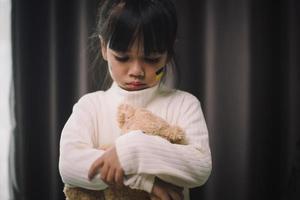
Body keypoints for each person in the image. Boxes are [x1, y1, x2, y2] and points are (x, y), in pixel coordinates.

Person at [59, 0, 212, 199]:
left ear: (168, 52)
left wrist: (133, 149)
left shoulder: (184, 104)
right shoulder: (90, 107)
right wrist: (143, 180)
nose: (136, 71)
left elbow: (200, 167)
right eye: (123, 57)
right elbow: (69, 166)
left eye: (152, 58)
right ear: (104, 47)